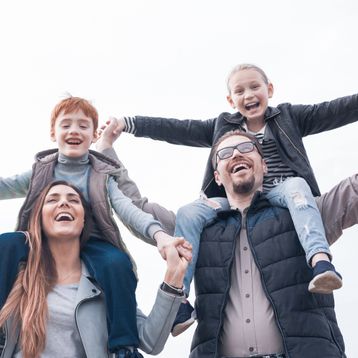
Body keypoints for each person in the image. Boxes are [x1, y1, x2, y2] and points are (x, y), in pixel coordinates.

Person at [109, 63, 358, 334]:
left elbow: (334, 111)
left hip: (285, 194)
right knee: (189, 212)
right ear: (230, 100)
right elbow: (179, 129)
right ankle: (180, 298)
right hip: (231, 204)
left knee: (298, 186)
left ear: (270, 89)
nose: (248, 95)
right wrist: (129, 124)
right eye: (239, 91)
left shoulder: (289, 117)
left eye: (255, 87)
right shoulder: (222, 126)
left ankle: (320, 260)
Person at [0, 96, 191, 355]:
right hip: (39, 243)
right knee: (8, 242)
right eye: (66, 125)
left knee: (117, 263)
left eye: (83, 126)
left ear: (93, 136)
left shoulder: (101, 175)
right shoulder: (41, 171)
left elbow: (129, 211)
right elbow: (6, 185)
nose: (74, 131)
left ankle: (122, 344)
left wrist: (160, 236)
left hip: (95, 244)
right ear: (52, 133)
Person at [190, 130, 346, 358]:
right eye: (225, 153)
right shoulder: (198, 229)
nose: (236, 154)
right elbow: (143, 213)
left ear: (264, 166)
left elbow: (351, 192)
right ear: (216, 177)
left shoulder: (304, 211)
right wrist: (117, 170)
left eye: (245, 148)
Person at [0, 181, 190, 358]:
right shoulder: (15, 274)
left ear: (83, 220)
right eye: (52, 200)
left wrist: (173, 279)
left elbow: (151, 341)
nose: (64, 203)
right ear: (39, 218)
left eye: (73, 200)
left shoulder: (105, 283)